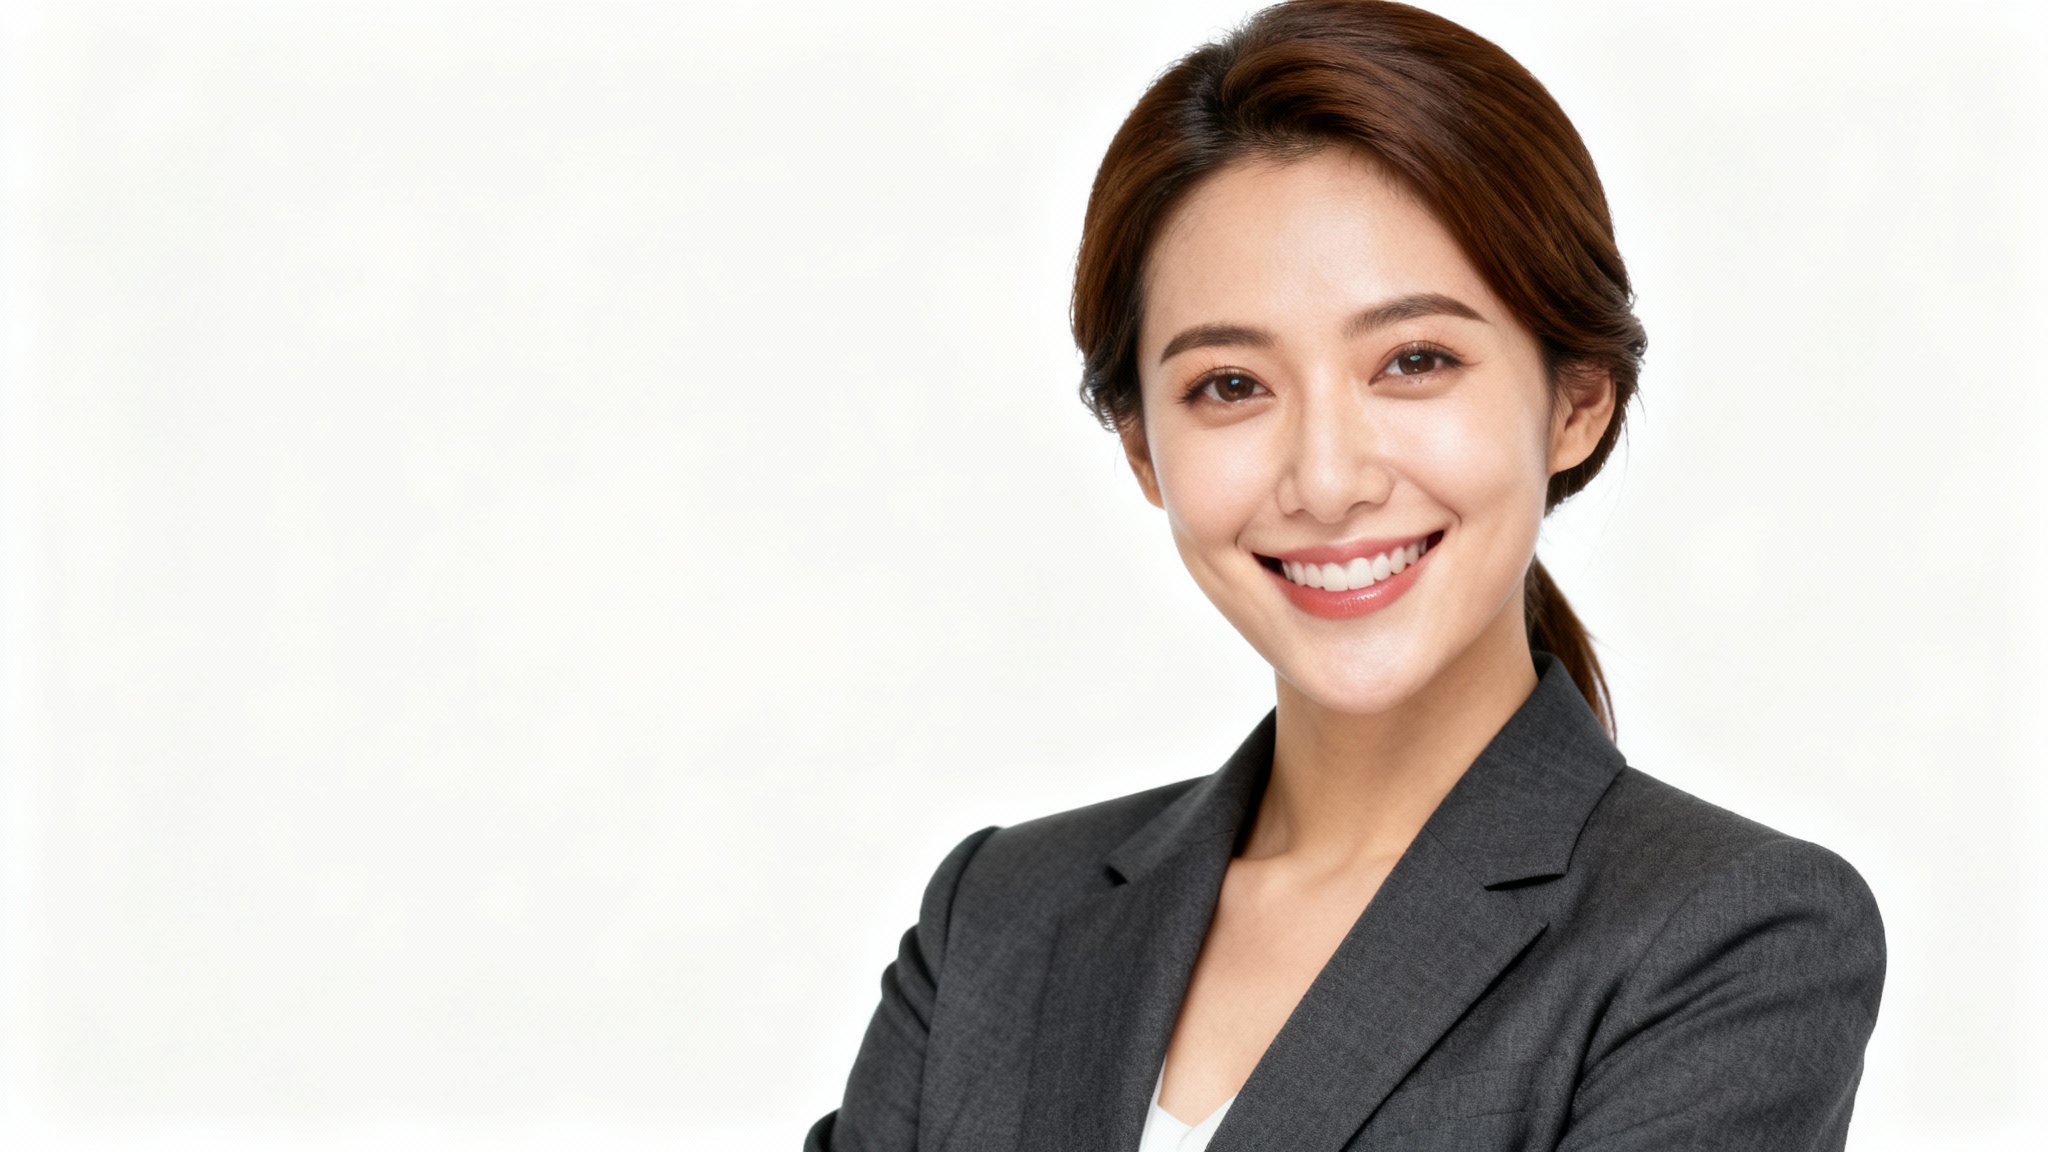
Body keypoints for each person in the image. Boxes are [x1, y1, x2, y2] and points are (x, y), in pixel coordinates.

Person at [807, 2, 1885, 1149]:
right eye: (1228, 384)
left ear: (1574, 400)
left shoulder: (1724, 936)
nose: (1324, 481)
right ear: (1141, 450)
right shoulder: (999, 915)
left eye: (1413, 361)